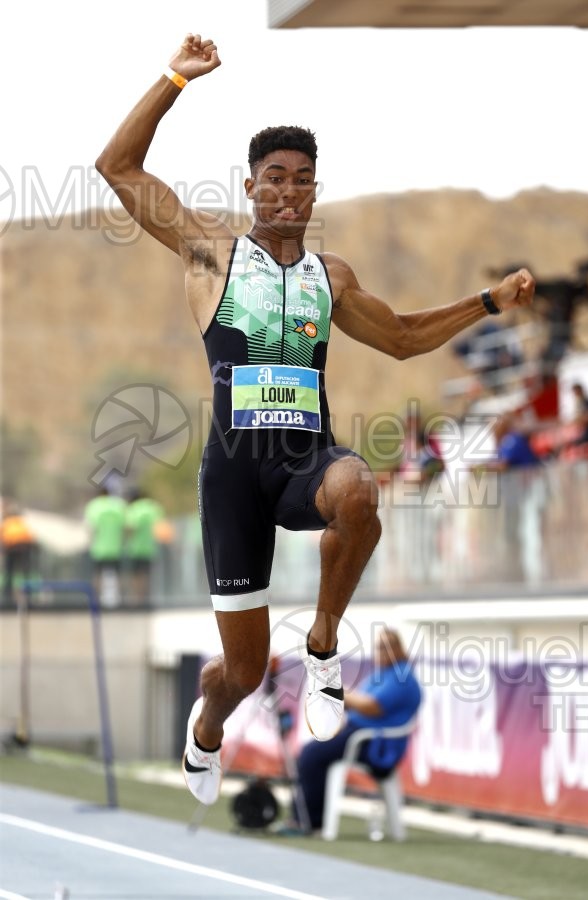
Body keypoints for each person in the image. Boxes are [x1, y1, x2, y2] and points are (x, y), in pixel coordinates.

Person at [95, 31, 536, 806]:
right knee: (240, 672)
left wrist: (489, 302)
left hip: (306, 460)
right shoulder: (212, 253)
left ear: (314, 191)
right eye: (275, 179)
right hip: (233, 474)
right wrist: (175, 78)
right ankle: (207, 729)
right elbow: (118, 168)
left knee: (360, 491)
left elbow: (400, 338)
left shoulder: (331, 277)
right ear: (252, 187)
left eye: (303, 180)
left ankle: (325, 644)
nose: (290, 192)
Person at [288, 627, 421, 834]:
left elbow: (371, 706)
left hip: (374, 744)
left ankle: (308, 822)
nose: (381, 652)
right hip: (358, 735)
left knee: (311, 754)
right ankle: (308, 819)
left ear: (398, 649)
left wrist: (335, 692)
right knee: (311, 752)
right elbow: (354, 702)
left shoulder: (401, 677)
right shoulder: (383, 675)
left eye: (386, 647)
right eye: (378, 648)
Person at [84, 486, 126, 607]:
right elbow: (125, 527)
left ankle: (95, 599)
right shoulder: (118, 506)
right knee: (118, 574)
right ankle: (120, 599)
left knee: (97, 574)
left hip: (99, 548)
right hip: (115, 547)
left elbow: (90, 528)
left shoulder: (94, 506)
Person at [124, 487, 165, 606]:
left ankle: (138, 599)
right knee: (147, 574)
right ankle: (147, 597)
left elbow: (131, 528)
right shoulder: (153, 507)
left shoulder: (133, 509)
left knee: (136, 575)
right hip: (151, 547)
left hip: (135, 548)